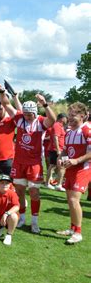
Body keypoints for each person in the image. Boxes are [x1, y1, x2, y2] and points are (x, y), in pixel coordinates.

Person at [0, 90, 56, 233]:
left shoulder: (41, 122)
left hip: (34, 164)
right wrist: (2, 92)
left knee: (34, 192)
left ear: (35, 113)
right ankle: (22, 217)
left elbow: (53, 119)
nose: (27, 116)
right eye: (25, 114)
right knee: (19, 191)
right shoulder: (19, 118)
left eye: (29, 114)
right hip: (19, 162)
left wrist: (45, 104)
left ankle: (35, 222)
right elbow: (6, 104)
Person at [56, 102, 90, 244]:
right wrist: (60, 157)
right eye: (69, 115)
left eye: (73, 115)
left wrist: (77, 160)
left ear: (82, 116)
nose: (70, 118)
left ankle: (78, 233)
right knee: (70, 201)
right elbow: (66, 149)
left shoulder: (87, 130)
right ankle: (72, 228)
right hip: (71, 169)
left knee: (74, 200)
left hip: (83, 169)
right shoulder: (69, 131)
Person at [45, 113, 67, 191]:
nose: (67, 119)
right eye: (66, 118)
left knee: (61, 167)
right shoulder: (57, 125)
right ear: (62, 118)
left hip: (61, 150)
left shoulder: (60, 126)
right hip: (57, 150)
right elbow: (55, 137)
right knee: (54, 166)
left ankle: (58, 184)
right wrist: (58, 150)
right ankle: (52, 184)